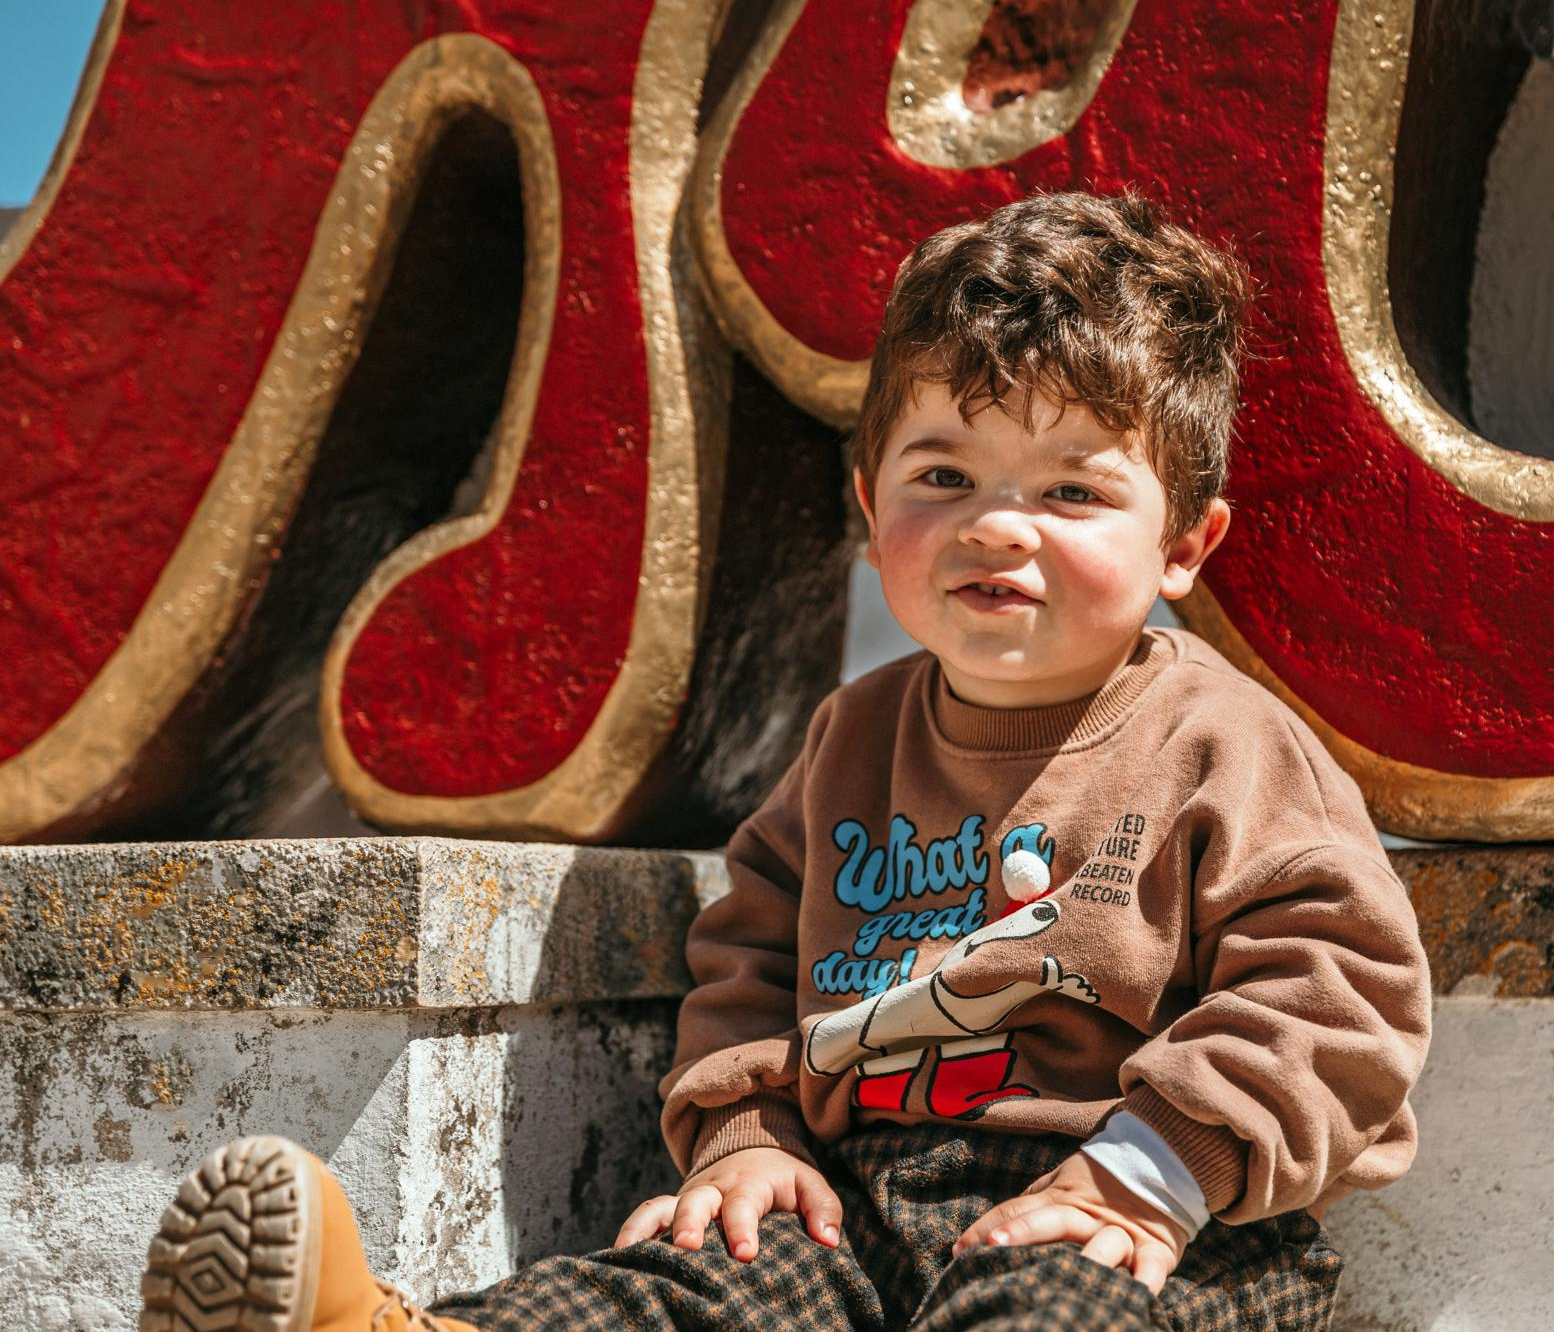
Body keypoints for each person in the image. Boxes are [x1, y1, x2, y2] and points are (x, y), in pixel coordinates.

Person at [139, 190, 1431, 1332]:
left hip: (1131, 1215)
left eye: (1071, 492)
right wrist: (746, 1138)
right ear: (873, 514)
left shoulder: (1223, 743)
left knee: (1049, 1318)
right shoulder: (851, 736)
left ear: (1186, 546)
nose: (996, 525)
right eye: (945, 473)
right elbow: (747, 962)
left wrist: (1155, 1172)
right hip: (858, 1200)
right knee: (690, 1284)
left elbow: (1342, 991)